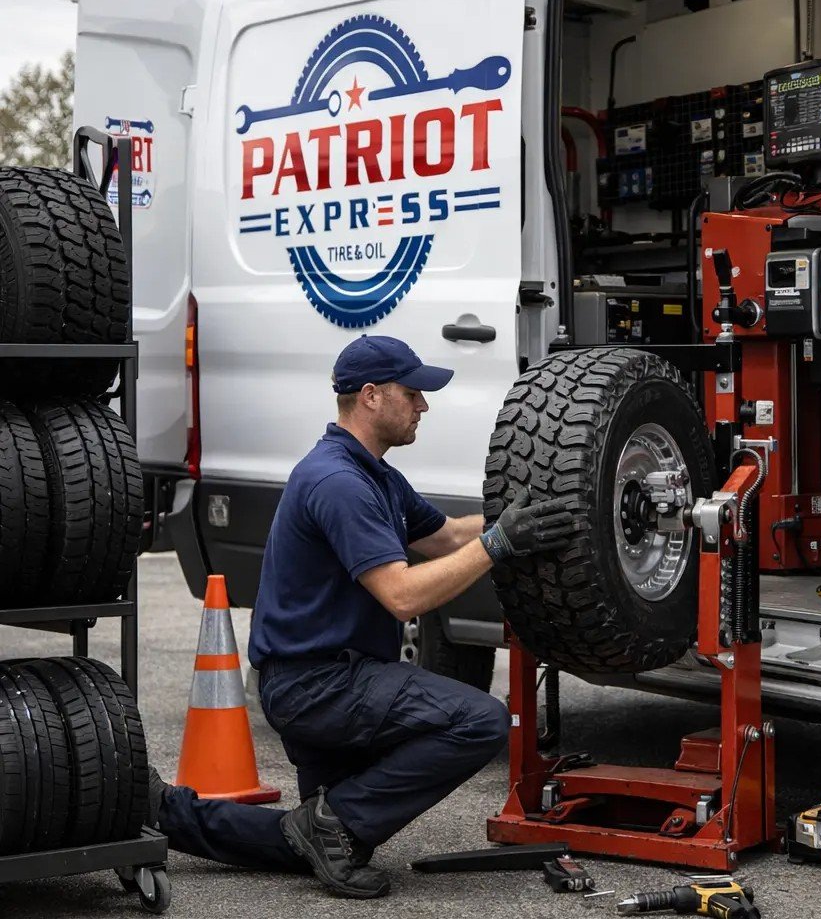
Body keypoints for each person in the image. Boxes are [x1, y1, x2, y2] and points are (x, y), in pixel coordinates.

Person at [150, 335, 575, 898]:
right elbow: (402, 596)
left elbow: (445, 535)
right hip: (319, 686)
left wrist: (519, 514)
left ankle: (162, 811)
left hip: (321, 680)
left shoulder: (373, 473)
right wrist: (498, 543)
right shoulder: (340, 483)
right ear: (372, 396)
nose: (424, 404)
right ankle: (332, 822)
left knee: (318, 839)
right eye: (414, 392)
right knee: (481, 722)